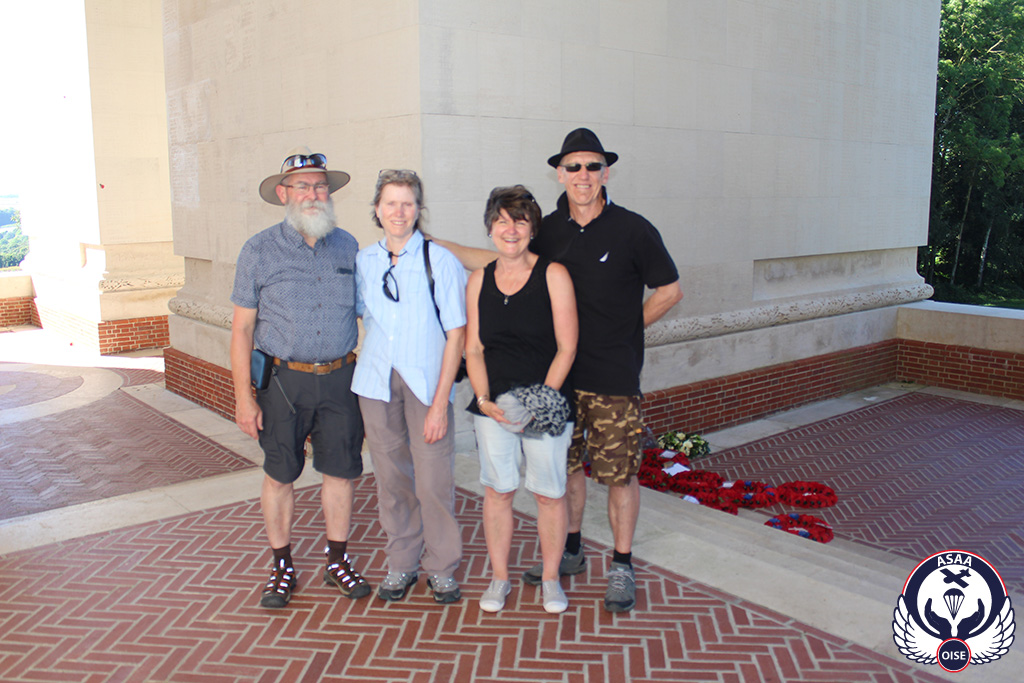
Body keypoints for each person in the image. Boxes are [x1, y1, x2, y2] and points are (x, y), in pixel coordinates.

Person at [437, 128, 682, 613]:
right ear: (559, 173)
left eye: (592, 166)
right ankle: (569, 552)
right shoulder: (547, 228)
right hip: (557, 380)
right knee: (564, 474)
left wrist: (627, 330)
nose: (583, 175)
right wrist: (433, 244)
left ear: (605, 172)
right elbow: (503, 256)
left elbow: (670, 290)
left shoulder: (633, 229)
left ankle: (622, 564)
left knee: (618, 475)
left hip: (611, 376)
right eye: (574, 167)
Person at [230, 148, 370, 609]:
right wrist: (244, 399)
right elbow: (242, 329)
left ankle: (337, 560)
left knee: (341, 473)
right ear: (284, 194)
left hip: (339, 378)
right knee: (280, 475)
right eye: (303, 186)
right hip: (282, 384)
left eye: (320, 185)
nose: (313, 193)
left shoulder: (349, 245)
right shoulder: (258, 250)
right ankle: (282, 565)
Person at [351, 169, 467, 604]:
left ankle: (441, 565)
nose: (398, 211)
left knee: (434, 479)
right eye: (390, 203)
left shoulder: (439, 260)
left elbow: (457, 333)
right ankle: (401, 562)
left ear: (419, 209)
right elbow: (365, 315)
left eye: (407, 203)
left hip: (426, 384)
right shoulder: (365, 260)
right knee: (392, 479)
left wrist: (441, 403)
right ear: (377, 210)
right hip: (376, 384)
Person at [465, 185, 578, 614]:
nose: (509, 229)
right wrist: (483, 398)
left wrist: (539, 400)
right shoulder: (479, 279)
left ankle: (551, 579)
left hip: (545, 404)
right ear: (490, 228)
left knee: (549, 493)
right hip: (493, 406)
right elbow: (473, 348)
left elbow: (567, 346)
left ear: (532, 228)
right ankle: (499, 578)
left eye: (519, 220)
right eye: (501, 220)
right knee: (499, 490)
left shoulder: (554, 275)